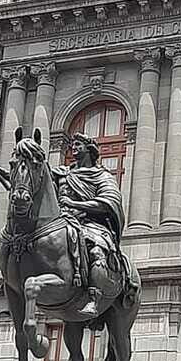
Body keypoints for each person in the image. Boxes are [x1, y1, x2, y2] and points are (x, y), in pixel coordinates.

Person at [52, 132, 131, 318]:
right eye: (73, 145)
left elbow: (108, 203)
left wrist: (74, 204)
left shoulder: (102, 176)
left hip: (91, 223)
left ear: (89, 149)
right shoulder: (62, 173)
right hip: (61, 221)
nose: (74, 148)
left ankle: (94, 298)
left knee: (97, 250)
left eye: (78, 145)